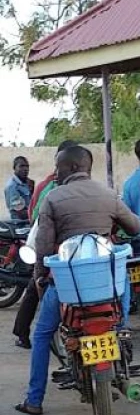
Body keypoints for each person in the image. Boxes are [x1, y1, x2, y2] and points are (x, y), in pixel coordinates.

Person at [14, 146, 140, 415]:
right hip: (106, 287)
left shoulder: (53, 199)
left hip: (68, 286)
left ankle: (34, 400)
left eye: (58, 167)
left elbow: (44, 248)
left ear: (72, 167)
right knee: (123, 283)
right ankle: (122, 332)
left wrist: (39, 279)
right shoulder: (109, 195)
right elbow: (135, 228)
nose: (55, 172)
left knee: (40, 335)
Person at [12, 140, 77, 350]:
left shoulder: (47, 185)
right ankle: (23, 333)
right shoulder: (47, 186)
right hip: (52, 248)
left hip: (63, 249)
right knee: (36, 285)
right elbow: (36, 219)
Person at [5, 156, 34, 220]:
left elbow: (32, 203)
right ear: (14, 168)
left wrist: (32, 189)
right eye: (21, 166)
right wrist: (39, 212)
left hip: (29, 221)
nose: (25, 169)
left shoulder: (27, 182)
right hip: (20, 225)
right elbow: (20, 214)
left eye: (27, 166)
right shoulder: (12, 186)